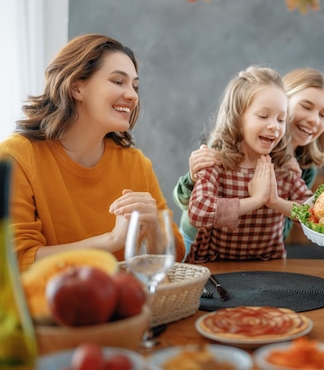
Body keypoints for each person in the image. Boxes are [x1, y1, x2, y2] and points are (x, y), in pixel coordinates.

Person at [0, 34, 186, 271]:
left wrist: (156, 230)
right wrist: (111, 240)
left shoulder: (136, 164)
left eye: (135, 85)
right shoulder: (16, 158)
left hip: (118, 303)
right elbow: (17, 263)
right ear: (77, 87)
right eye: (118, 82)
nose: (132, 95)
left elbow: (177, 257)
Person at [173, 68, 324, 257]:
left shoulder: (290, 166)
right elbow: (192, 206)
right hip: (199, 245)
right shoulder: (219, 153)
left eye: (323, 114)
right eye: (306, 106)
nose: (314, 119)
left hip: (262, 259)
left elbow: (309, 213)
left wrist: (274, 201)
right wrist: (257, 200)